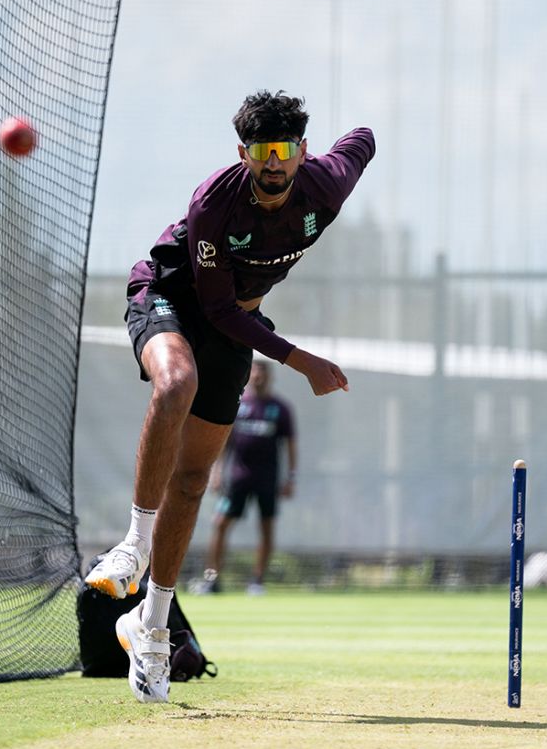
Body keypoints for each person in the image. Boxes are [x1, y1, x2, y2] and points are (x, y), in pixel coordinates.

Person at [85, 91, 374, 702]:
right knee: (176, 382)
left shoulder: (323, 184)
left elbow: (364, 140)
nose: (275, 164)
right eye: (263, 152)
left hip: (233, 326)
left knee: (192, 483)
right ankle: (134, 544)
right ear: (243, 153)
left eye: (286, 150)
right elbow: (213, 306)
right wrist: (301, 361)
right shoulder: (216, 201)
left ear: (300, 151)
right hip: (169, 296)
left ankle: (150, 629)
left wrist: (332, 153)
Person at [196, 359, 296, 596]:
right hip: (237, 479)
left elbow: (290, 445)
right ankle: (212, 578)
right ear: (249, 376)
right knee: (220, 523)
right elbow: (224, 442)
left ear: (269, 377)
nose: (258, 378)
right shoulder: (238, 405)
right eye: (255, 373)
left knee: (266, 527)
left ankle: (257, 580)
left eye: (263, 374)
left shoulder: (280, 409)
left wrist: (290, 478)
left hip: (267, 480)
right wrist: (217, 471)